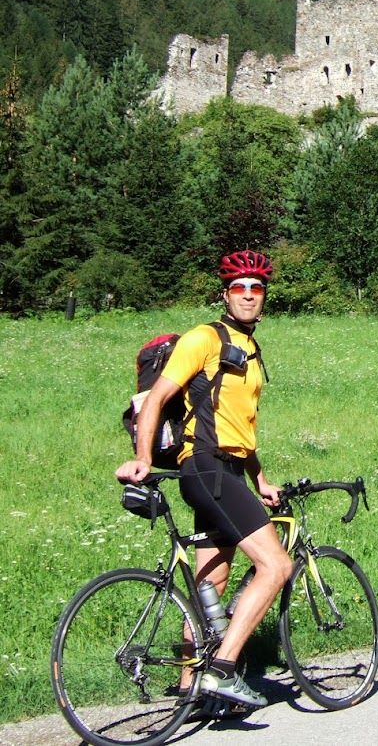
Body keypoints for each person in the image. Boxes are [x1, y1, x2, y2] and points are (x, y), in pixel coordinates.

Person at [116, 250, 291, 709]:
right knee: (276, 566)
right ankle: (224, 670)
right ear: (225, 294)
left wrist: (261, 479)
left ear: (264, 298)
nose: (248, 295)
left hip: (228, 469)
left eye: (256, 288)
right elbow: (156, 400)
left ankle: (190, 686)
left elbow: (239, 427)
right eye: (239, 287)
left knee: (211, 580)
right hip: (206, 467)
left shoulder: (250, 351)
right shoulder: (203, 339)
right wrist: (140, 457)